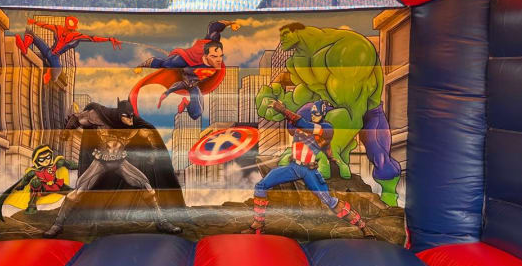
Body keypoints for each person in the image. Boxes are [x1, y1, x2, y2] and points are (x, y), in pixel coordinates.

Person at [43, 100, 183, 237]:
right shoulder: (99, 116)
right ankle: (57, 225)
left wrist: (152, 153)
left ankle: (161, 222)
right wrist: (67, 131)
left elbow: (149, 134)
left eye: (132, 116)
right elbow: (77, 118)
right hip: (101, 161)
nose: (130, 120)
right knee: (78, 192)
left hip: (120, 162)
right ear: (119, 115)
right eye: (127, 116)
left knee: (146, 186)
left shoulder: (134, 126)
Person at [245, 99, 376, 237]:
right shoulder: (305, 127)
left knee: (328, 200)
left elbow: (304, 125)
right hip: (293, 167)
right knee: (261, 186)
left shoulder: (326, 128)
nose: (313, 115)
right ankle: (259, 223)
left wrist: (283, 110)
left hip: (309, 171)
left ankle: (362, 226)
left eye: (317, 113)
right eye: (313, 113)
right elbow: (298, 127)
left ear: (323, 114)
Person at [130, 20, 239, 120]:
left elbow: (214, 27)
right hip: (187, 81)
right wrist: (141, 66)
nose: (219, 60)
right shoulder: (181, 61)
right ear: (205, 57)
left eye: (220, 56)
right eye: (214, 57)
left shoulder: (213, 44)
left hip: (195, 85)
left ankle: (186, 103)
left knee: (196, 114)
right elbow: (162, 63)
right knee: (167, 64)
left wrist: (231, 23)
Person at [15, 16, 121, 84]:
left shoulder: (76, 36)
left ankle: (49, 74)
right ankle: (24, 48)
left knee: (56, 72)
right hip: (48, 51)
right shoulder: (59, 29)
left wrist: (109, 39)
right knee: (30, 32)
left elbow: (92, 38)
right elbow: (45, 25)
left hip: (55, 57)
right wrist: (33, 22)